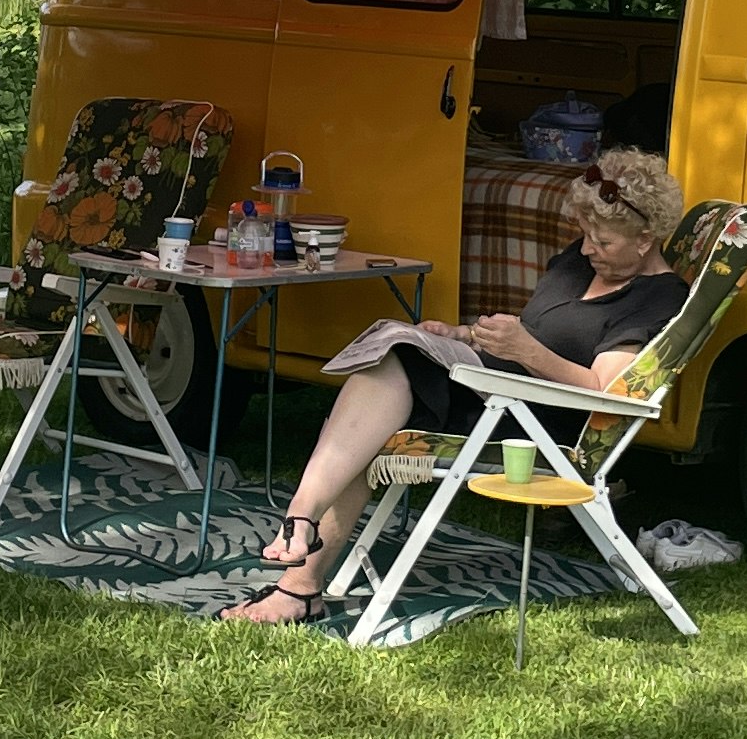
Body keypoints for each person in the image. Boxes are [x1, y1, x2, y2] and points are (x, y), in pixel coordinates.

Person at [221, 147, 687, 627]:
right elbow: (536, 331)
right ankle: (299, 575)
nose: (587, 249)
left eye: (602, 241)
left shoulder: (656, 297)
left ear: (646, 238)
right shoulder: (584, 262)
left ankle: (298, 549)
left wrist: (524, 350)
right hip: (489, 389)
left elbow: (603, 388)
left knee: (388, 376)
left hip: (533, 423)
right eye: (585, 235)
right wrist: (463, 335)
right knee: (387, 370)